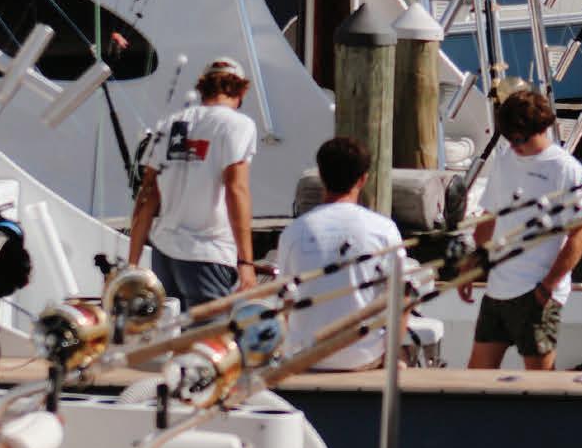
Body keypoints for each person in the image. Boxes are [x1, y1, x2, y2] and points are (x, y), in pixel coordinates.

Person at [464, 90, 582, 372]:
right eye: (509, 139)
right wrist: (471, 264)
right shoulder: (504, 158)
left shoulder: (566, 169)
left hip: (537, 294)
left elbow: (581, 235)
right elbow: (489, 216)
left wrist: (548, 287)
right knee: (476, 377)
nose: (515, 146)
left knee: (540, 384)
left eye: (520, 139)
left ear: (541, 129)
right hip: (497, 290)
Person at [128, 56, 257, 310]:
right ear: (241, 91)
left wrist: (132, 264)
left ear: (202, 88)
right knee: (209, 333)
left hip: (164, 254)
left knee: (171, 330)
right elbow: (236, 189)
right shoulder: (238, 124)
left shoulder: (169, 124)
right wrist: (246, 262)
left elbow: (147, 195)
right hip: (207, 253)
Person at [277, 136, 404, 371]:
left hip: (305, 357)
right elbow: (401, 300)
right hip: (362, 357)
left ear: (321, 176)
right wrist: (392, 357)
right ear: (363, 179)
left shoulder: (293, 232)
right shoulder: (384, 230)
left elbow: (284, 302)